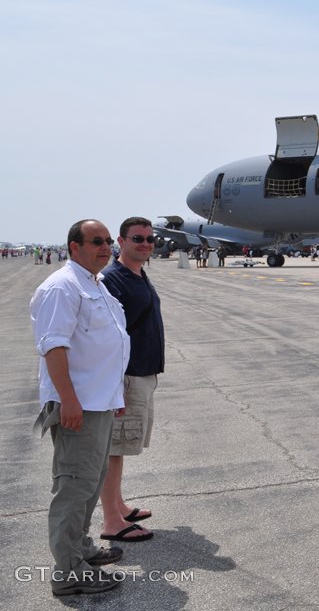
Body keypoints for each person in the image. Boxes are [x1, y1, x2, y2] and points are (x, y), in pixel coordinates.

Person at [30, 219, 131, 596]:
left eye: (108, 241)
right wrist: (68, 400)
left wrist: (114, 397)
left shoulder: (94, 283)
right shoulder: (62, 287)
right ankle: (69, 571)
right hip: (79, 404)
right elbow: (54, 347)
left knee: (90, 483)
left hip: (98, 402)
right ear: (74, 247)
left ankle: (80, 548)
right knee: (74, 486)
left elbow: (108, 344)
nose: (106, 247)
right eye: (96, 241)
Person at [99, 217, 163, 544]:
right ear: (121, 242)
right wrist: (115, 386)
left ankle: (119, 505)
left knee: (121, 446)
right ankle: (111, 519)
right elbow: (106, 336)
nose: (146, 244)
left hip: (143, 373)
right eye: (138, 238)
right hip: (125, 377)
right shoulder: (113, 279)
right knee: (113, 447)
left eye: (151, 239)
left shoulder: (137, 274)